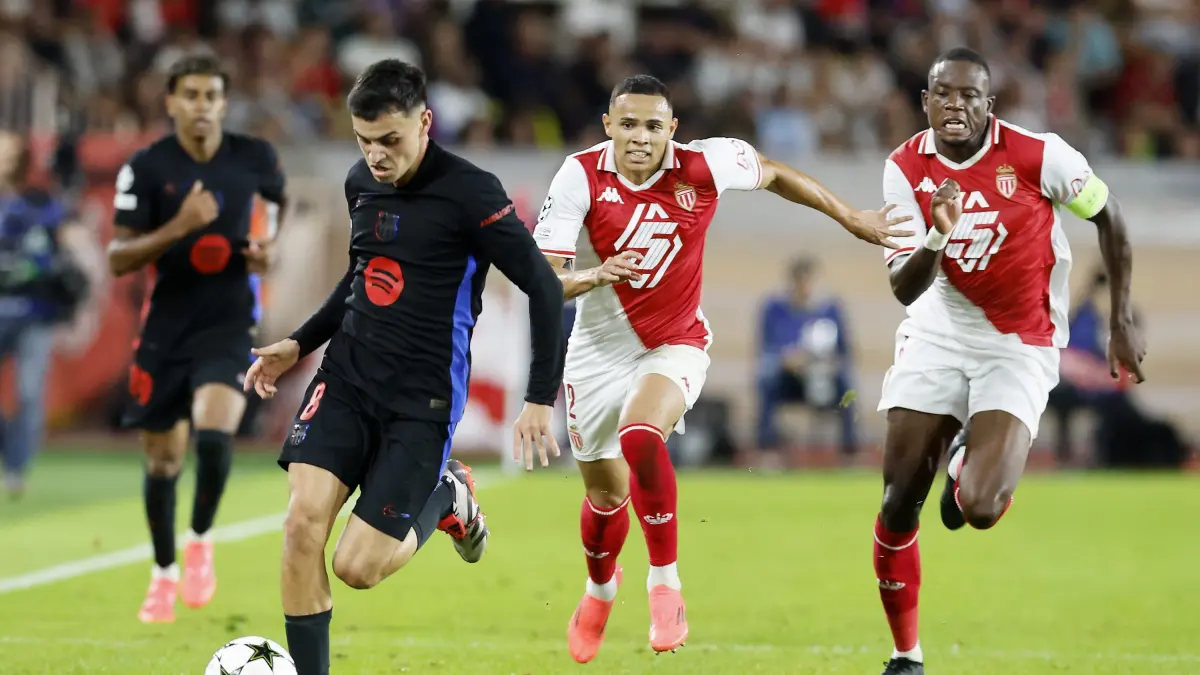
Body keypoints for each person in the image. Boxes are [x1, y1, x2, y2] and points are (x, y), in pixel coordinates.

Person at [531, 74, 911, 663]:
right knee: (606, 499)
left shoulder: (705, 164)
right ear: (608, 126)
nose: (640, 137)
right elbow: (543, 281)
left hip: (676, 342)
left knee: (640, 434)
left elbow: (776, 173)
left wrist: (849, 217)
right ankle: (601, 589)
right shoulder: (579, 175)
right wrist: (596, 275)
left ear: (672, 129)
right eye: (627, 125)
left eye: (653, 126)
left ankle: (665, 584)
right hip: (596, 352)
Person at [241, 59, 564, 675]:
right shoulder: (360, 183)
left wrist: (539, 398)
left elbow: (544, 289)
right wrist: (300, 343)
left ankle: (447, 494)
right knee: (301, 526)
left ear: (425, 122)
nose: (376, 155)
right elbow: (362, 276)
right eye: (365, 141)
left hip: (422, 400)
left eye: (390, 140)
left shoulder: (472, 192)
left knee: (356, 568)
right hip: (347, 378)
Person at [872, 48, 1145, 675]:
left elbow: (1111, 218)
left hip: (1019, 342)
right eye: (944, 94)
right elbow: (904, 288)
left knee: (982, 508)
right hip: (938, 332)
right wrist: (938, 233)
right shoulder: (903, 168)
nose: (956, 106)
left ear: (989, 105)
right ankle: (906, 656)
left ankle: (965, 461)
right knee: (897, 502)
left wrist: (1120, 321)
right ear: (926, 102)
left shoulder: (1039, 155)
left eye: (970, 95)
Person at [107, 55, 287, 623]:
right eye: (191, 95)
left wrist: (267, 249)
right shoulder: (147, 167)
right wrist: (180, 226)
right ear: (171, 102)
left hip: (228, 322)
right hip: (165, 327)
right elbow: (118, 257)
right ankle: (163, 573)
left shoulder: (254, 158)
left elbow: (276, 208)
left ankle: (200, 542)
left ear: (224, 103)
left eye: (211, 95)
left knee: (214, 432)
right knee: (162, 461)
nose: (202, 106)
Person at [0, 130, 88, 498]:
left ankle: (17, 468)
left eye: (7, 152)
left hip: (35, 311)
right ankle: (10, 450)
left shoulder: (41, 204)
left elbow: (70, 239)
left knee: (29, 391)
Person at [755, 256, 857, 459]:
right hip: (789, 379)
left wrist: (827, 363)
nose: (805, 286)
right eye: (800, 281)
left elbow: (844, 352)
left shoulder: (831, 311)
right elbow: (768, 349)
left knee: (848, 384)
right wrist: (788, 360)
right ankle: (767, 449)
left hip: (824, 375)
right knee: (766, 377)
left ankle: (850, 449)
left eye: (809, 280)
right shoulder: (775, 310)